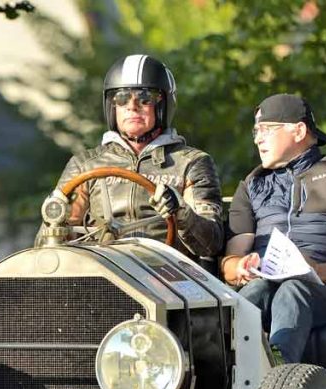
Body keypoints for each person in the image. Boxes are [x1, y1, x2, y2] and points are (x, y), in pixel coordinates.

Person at [221, 94, 326, 363]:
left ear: (298, 130)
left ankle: (278, 375)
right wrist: (241, 267)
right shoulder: (250, 186)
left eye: (266, 129)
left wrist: (318, 272)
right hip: (265, 283)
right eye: (256, 131)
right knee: (251, 295)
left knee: (293, 290)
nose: (257, 139)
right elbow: (230, 263)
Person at [40, 54, 223, 258]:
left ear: (163, 106)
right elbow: (47, 245)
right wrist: (55, 223)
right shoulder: (84, 164)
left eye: (145, 98)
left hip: (166, 275)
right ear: (112, 106)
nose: (132, 106)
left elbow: (212, 244)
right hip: (102, 275)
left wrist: (181, 212)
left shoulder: (191, 163)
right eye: (121, 98)